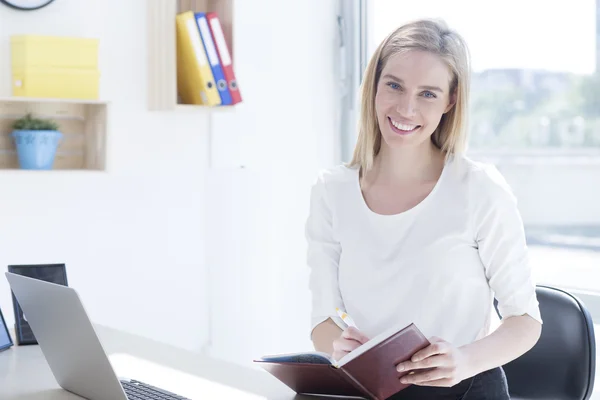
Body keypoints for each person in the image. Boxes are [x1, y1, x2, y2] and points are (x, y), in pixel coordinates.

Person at [305, 18, 543, 400]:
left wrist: (463, 360)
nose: (406, 108)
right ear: (373, 86)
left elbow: (525, 321)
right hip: (368, 388)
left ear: (450, 101)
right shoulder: (331, 192)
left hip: (464, 389)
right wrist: (340, 347)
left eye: (428, 94)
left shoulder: (478, 189)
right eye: (394, 85)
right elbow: (323, 321)